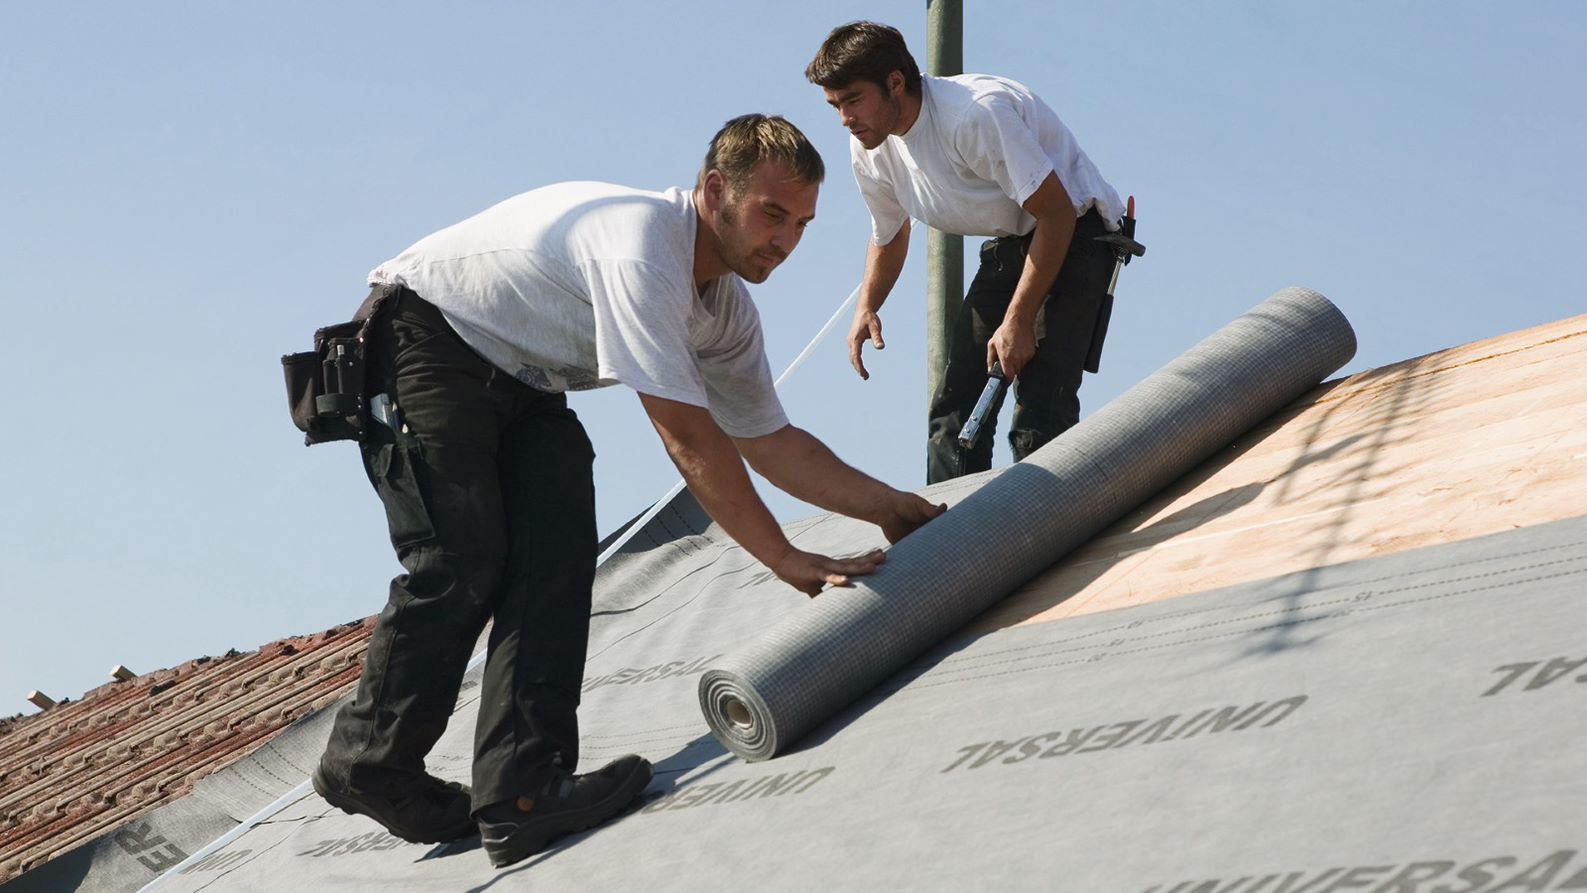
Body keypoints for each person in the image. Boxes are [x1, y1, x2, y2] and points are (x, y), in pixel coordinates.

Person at [309, 114, 946, 868]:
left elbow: (769, 440)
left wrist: (893, 509)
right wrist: (782, 555)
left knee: (556, 556)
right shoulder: (644, 248)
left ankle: (522, 793)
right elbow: (687, 437)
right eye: (772, 213)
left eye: (802, 224)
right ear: (716, 190)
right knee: (462, 555)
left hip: (523, 379)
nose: (785, 240)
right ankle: (369, 760)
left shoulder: (725, 311)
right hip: (423, 336)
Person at [806, 21, 1126, 483]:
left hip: (1075, 232)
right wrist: (867, 305)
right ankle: (955, 522)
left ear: (894, 82)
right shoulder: (869, 148)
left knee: (1040, 407)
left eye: (852, 100)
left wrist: (1018, 320)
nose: (844, 118)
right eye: (835, 105)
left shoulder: (974, 115)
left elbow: (1057, 214)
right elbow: (889, 234)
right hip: (1011, 241)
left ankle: (1048, 518)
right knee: (953, 410)